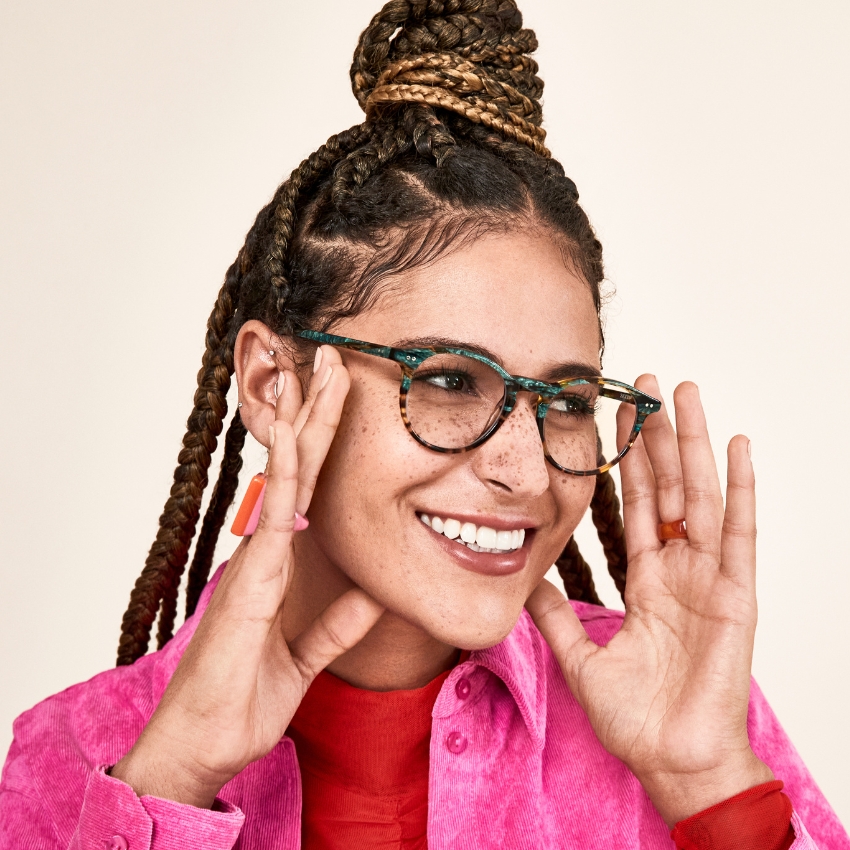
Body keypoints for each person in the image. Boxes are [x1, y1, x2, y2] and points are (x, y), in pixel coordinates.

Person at [1, 1, 847, 848]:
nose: (527, 469)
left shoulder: (681, 715)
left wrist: (711, 787)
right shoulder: (78, 755)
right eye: (446, 379)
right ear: (270, 384)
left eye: (566, 400)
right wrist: (173, 777)